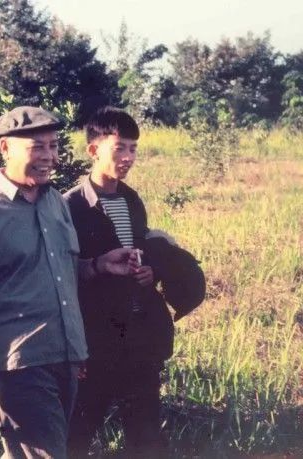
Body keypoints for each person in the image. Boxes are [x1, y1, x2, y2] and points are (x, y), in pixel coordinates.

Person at [0, 106, 139, 459]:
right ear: (5, 148)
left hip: (66, 357)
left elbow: (63, 274)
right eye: (37, 147)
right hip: (19, 362)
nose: (49, 156)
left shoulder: (55, 203)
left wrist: (99, 265)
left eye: (53, 146)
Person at [64, 107, 205, 456]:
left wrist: (149, 272)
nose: (128, 157)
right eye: (120, 148)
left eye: (133, 149)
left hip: (139, 335)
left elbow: (140, 248)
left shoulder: (131, 199)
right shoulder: (71, 206)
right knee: (79, 428)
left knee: (145, 432)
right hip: (96, 337)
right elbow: (63, 273)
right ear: (93, 150)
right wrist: (99, 267)